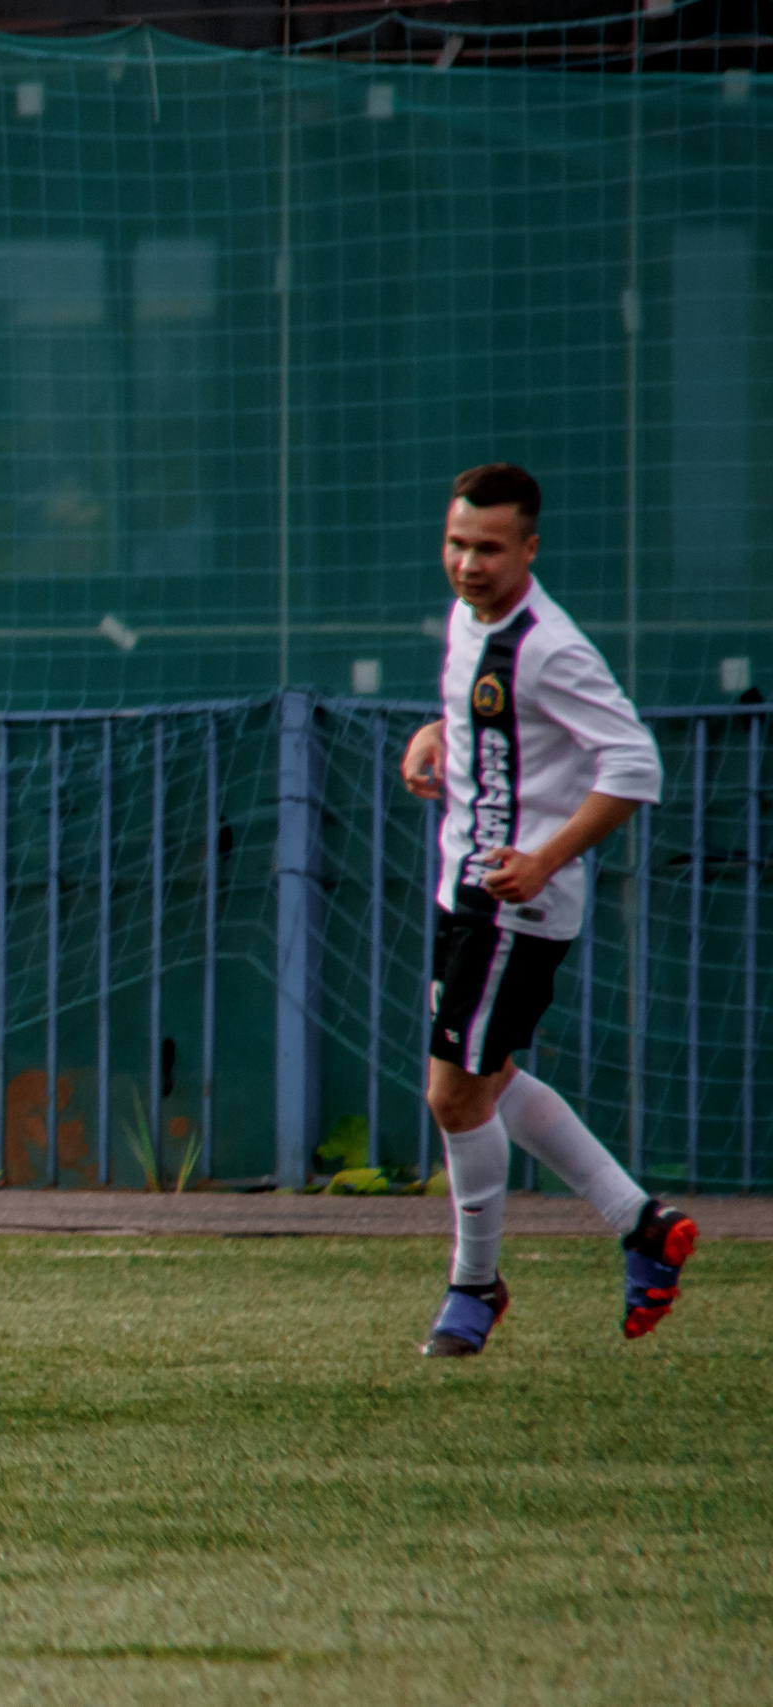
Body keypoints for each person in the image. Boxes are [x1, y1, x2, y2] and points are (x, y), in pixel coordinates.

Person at [399, 463, 695, 1358]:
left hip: (513, 908)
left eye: (489, 548)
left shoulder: (550, 645)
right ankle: (640, 1223)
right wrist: (436, 736)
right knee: (489, 1080)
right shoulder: (470, 617)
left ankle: (474, 1284)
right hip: (463, 887)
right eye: (457, 543)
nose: (468, 563)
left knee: (453, 1095)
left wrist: (546, 858)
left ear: (530, 548)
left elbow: (634, 765)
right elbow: (488, 722)